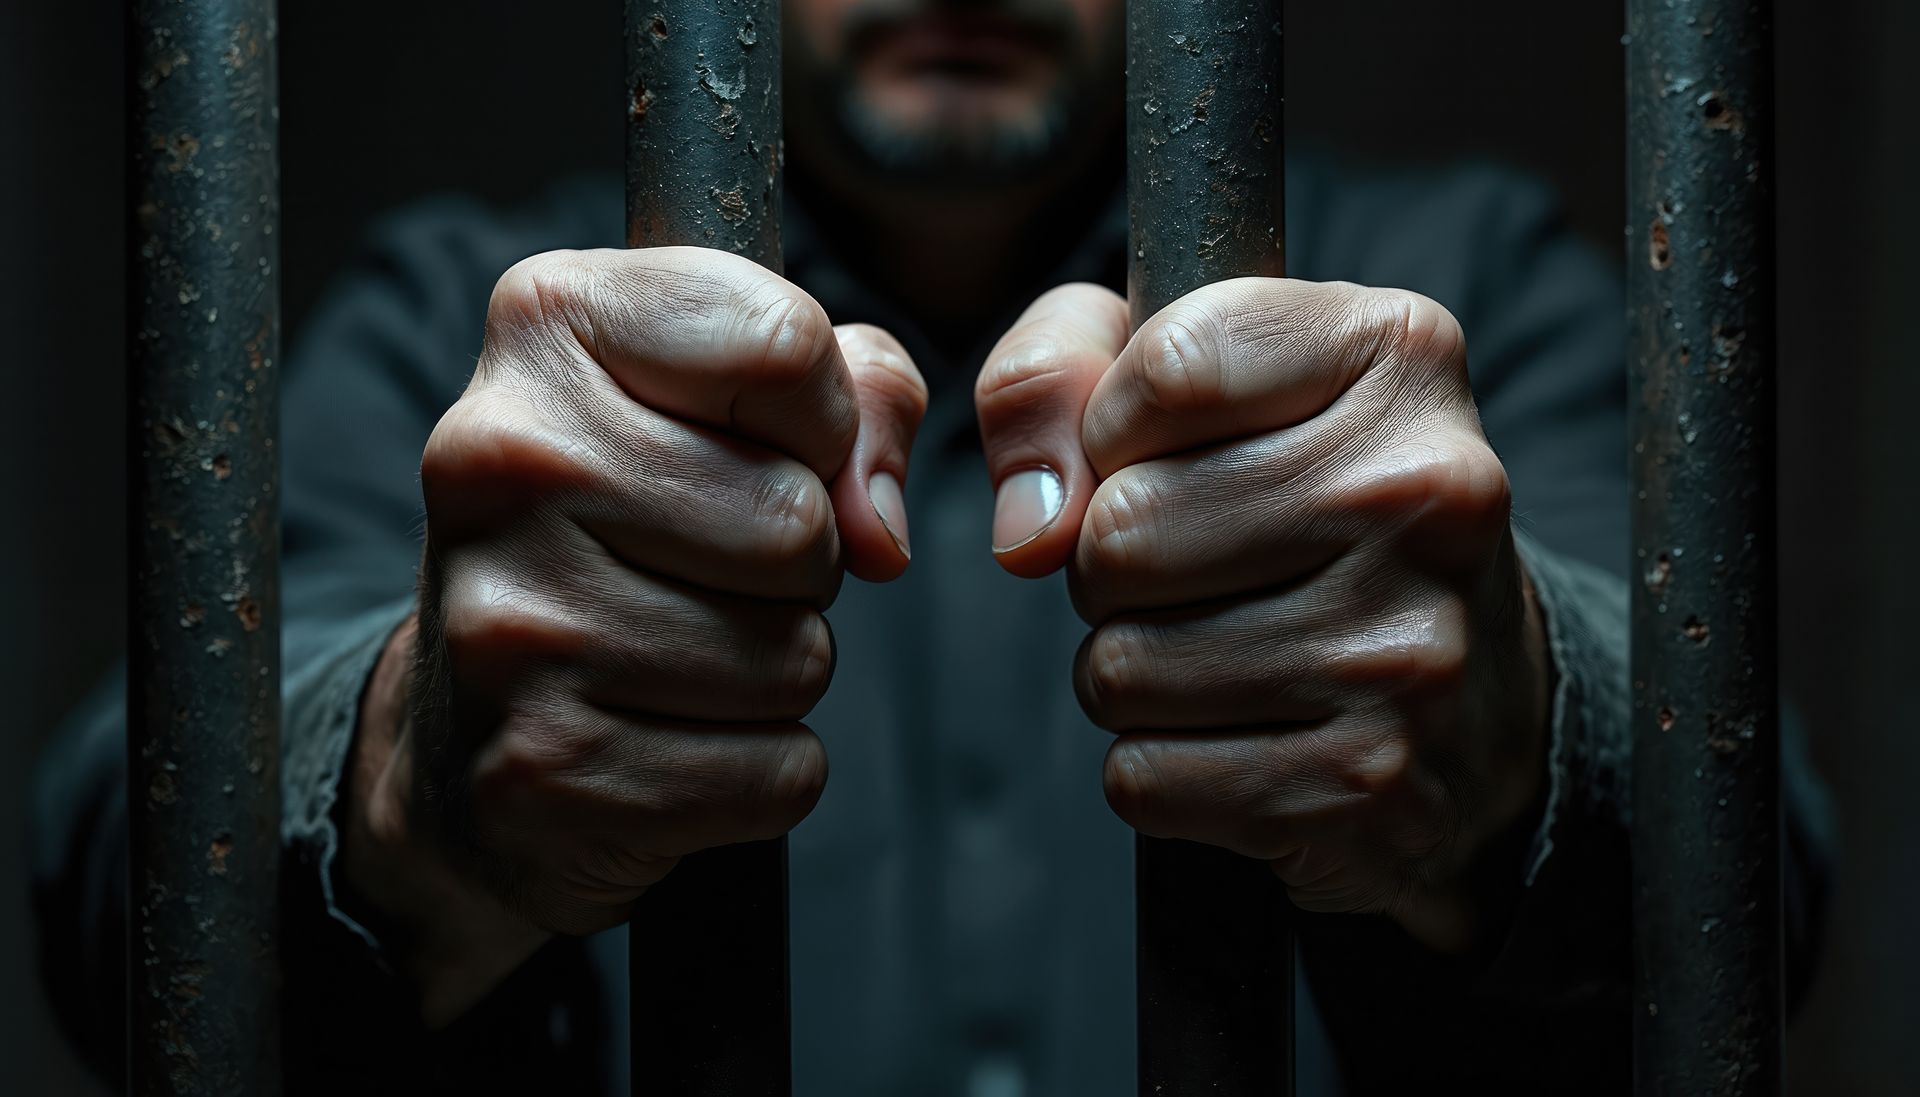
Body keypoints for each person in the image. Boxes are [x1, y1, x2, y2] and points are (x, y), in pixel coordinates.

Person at [32, 0, 1829, 1092]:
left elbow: (1765, 864)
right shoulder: (469, 310)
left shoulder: (1459, 278)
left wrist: (1517, 711)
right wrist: (418, 775)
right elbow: (118, 867)